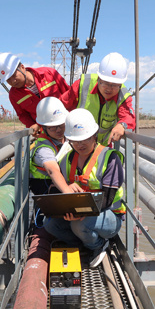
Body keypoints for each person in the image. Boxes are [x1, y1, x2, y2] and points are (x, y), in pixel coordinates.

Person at [44, 108, 126, 268]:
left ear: (94, 135)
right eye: (75, 140)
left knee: (79, 225)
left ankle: (98, 245)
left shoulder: (110, 158)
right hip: (79, 212)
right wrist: (65, 192)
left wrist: (80, 212)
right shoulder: (67, 159)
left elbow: (108, 199)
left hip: (109, 215)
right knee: (50, 225)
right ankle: (83, 243)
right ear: (69, 140)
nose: (80, 144)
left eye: (85, 139)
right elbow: (53, 189)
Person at [60, 52, 136, 146]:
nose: (109, 88)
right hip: (78, 145)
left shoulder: (123, 96)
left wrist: (122, 125)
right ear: (98, 78)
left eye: (115, 85)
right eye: (105, 83)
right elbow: (61, 107)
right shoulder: (82, 86)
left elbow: (129, 117)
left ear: (120, 85)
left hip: (102, 148)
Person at [0, 52, 70, 137]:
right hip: (46, 133)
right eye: (8, 79)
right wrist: (32, 125)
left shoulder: (49, 73)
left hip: (66, 125)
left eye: (13, 75)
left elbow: (68, 96)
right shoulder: (14, 95)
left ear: (22, 67)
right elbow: (22, 115)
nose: (13, 81)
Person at [29, 97, 76, 196]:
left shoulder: (65, 138)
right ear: (44, 128)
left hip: (60, 182)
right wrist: (69, 194)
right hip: (45, 188)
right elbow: (52, 170)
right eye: (53, 127)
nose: (58, 130)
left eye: (61, 125)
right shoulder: (43, 148)